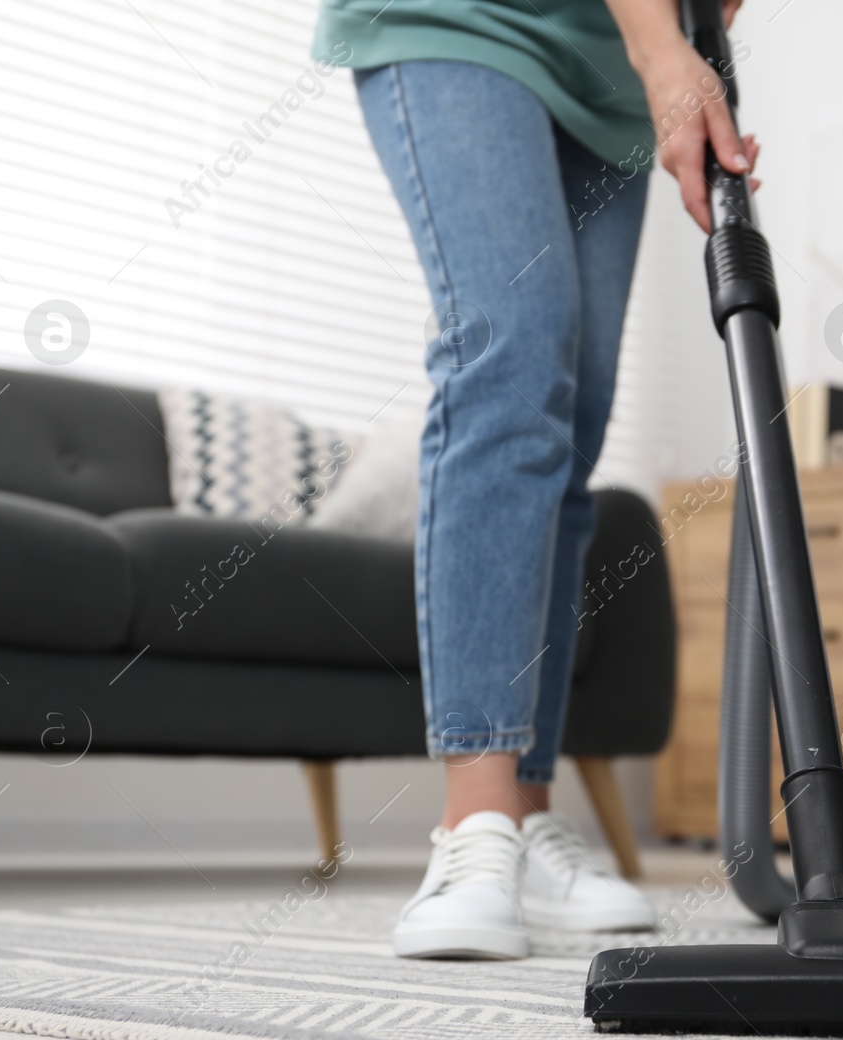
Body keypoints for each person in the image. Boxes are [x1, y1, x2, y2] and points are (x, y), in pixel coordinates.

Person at [312, 0, 759, 959]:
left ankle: (522, 807)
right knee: (508, 366)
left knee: (571, 420)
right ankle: (473, 825)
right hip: (463, 22)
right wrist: (662, 51)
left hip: (602, 72)